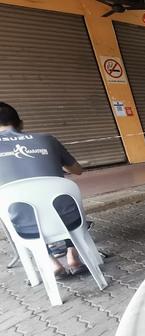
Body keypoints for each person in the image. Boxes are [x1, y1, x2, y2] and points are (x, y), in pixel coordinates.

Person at [0, 102, 86, 277]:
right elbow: (77, 170)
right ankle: (72, 257)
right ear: (21, 123)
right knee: (63, 204)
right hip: (70, 221)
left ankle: (52, 263)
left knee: (22, 212)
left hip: (26, 230)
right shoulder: (47, 139)